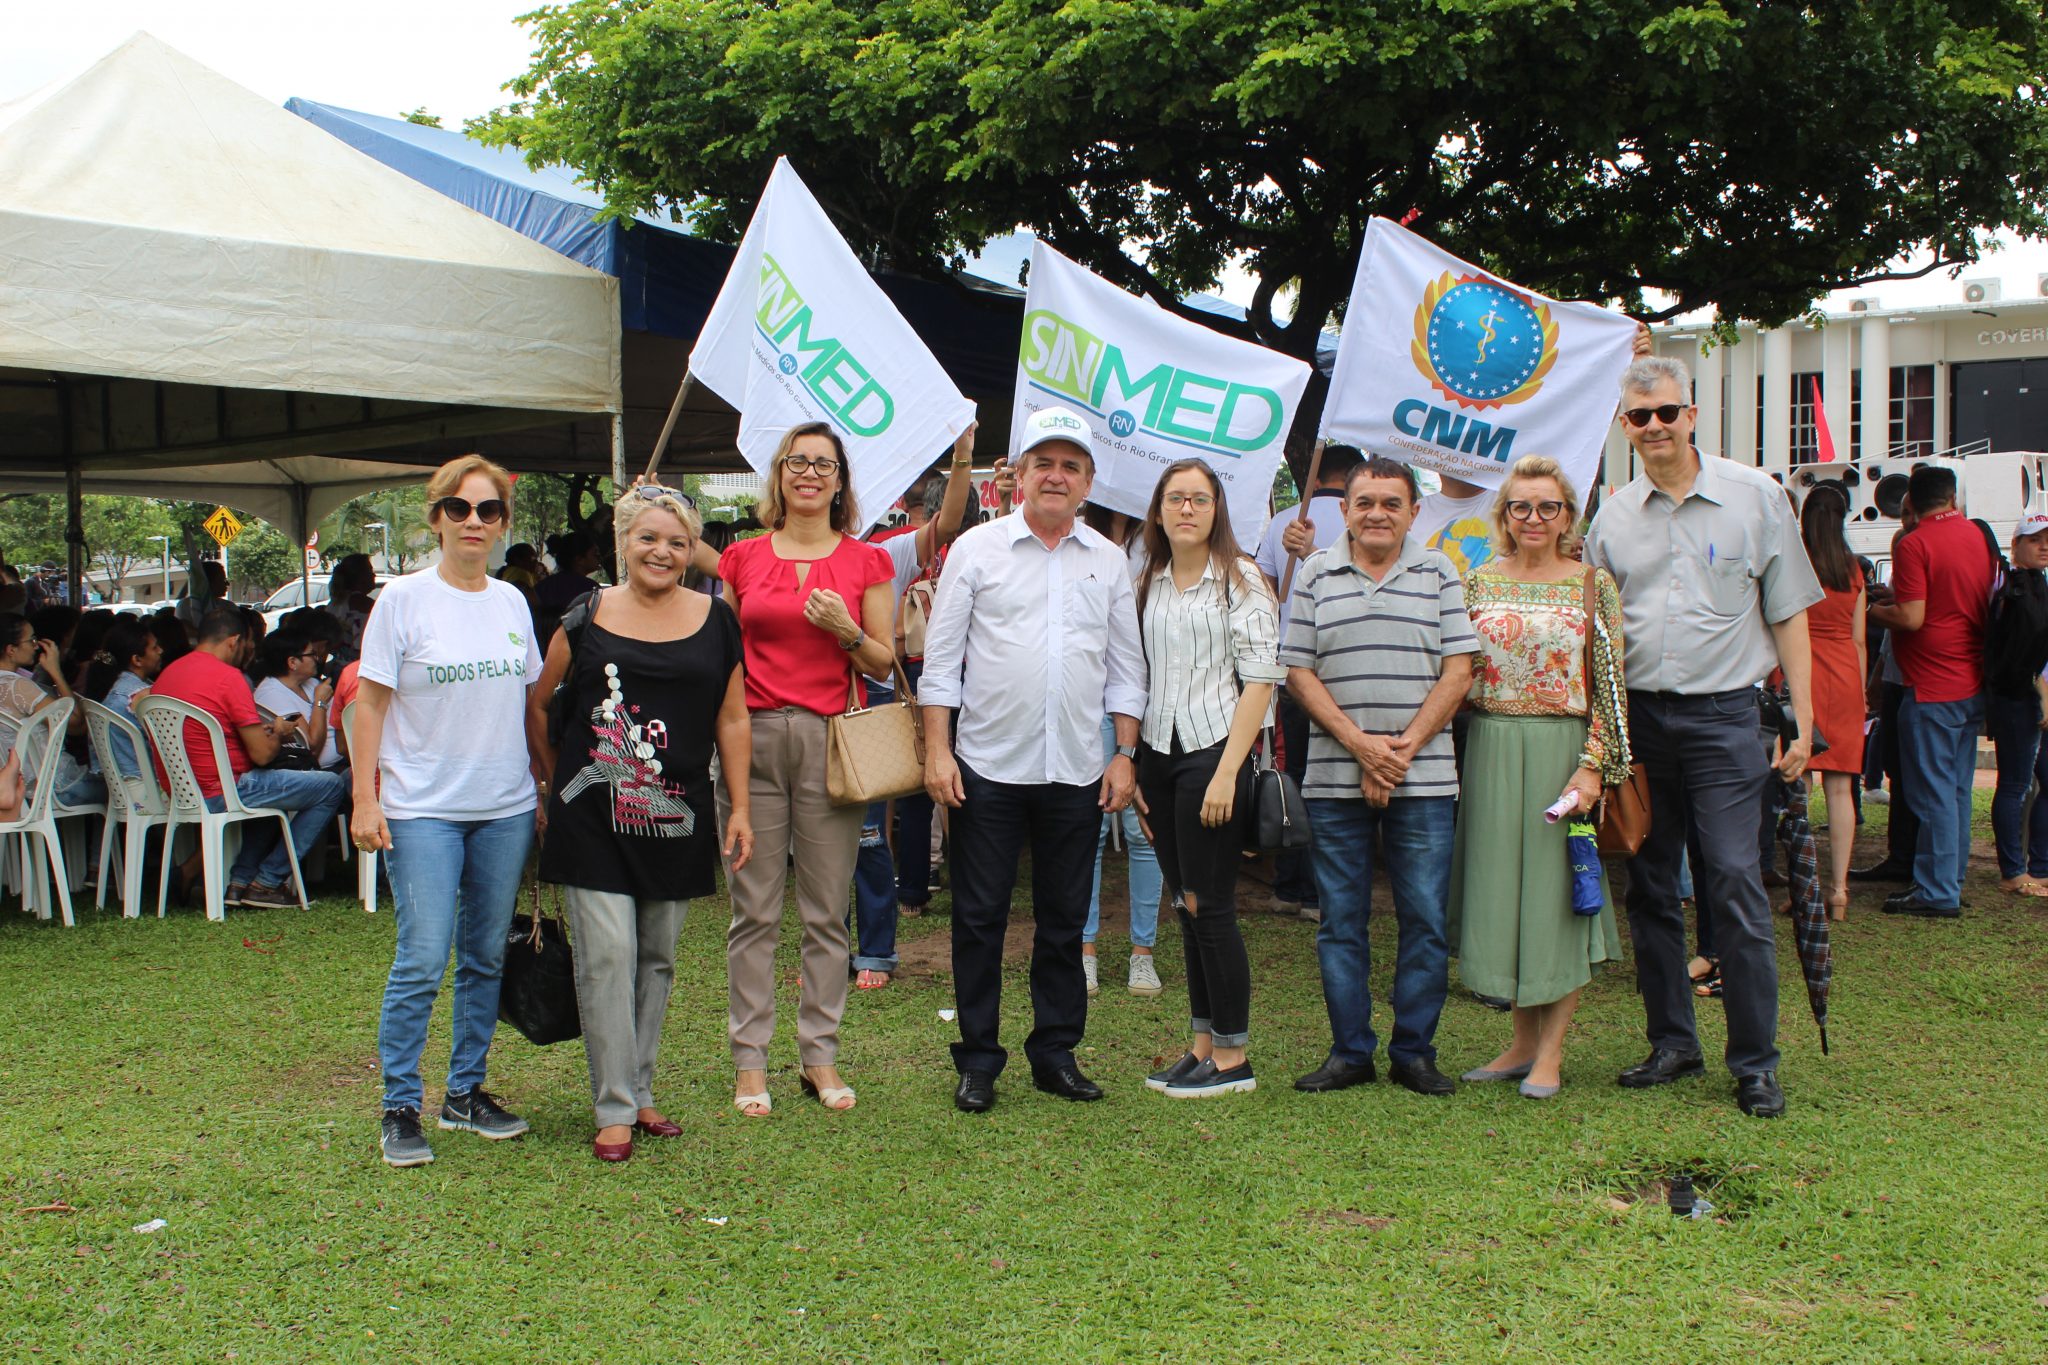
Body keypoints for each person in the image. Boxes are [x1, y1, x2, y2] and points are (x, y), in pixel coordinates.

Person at [1583, 355, 1821, 1119]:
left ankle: (1754, 1060)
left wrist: (1805, 723)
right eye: (1638, 417)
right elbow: (1595, 631)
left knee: (1735, 883)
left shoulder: (1755, 497)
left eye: (1666, 413)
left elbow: (1789, 612)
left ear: (1691, 415)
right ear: (1624, 427)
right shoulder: (1613, 516)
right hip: (1641, 721)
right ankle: (1672, 1042)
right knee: (1650, 884)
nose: (1654, 427)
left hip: (1725, 718)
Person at [921, 406, 1148, 1113]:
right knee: (980, 918)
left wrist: (1125, 754)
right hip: (986, 766)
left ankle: (1055, 1053)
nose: (1056, 476)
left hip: (1078, 769)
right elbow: (941, 661)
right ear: (1017, 475)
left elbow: (1125, 669)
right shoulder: (977, 550)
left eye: (1071, 466)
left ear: (1087, 482)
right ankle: (979, 1060)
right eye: (1043, 463)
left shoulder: (1108, 561)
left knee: (1063, 918)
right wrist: (937, 749)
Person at [528, 482, 754, 1162]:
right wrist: (549, 786)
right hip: (591, 815)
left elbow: (733, 716)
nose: (662, 551)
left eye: (677, 541)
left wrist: (740, 805)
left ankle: (641, 1087)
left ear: (693, 551)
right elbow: (541, 705)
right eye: (649, 538)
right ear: (624, 543)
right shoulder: (585, 615)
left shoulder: (717, 621)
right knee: (609, 956)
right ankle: (614, 1106)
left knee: (656, 957)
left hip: (675, 812)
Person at [353, 456, 544, 1168]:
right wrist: (365, 796)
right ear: (436, 517)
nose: (473, 522)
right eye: (459, 509)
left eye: (487, 511)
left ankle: (465, 1092)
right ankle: (400, 1104)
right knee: (423, 955)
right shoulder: (402, 599)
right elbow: (366, 704)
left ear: (501, 524)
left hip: (505, 805)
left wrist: (543, 786)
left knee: (485, 954)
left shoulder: (511, 602)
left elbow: (527, 705)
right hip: (421, 809)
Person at [1282, 457, 1477, 1098]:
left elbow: (1460, 670)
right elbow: (1298, 672)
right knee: (1341, 920)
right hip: (1336, 778)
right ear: (1345, 508)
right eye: (1365, 501)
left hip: (1424, 780)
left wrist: (1401, 750)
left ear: (1414, 512)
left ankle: (1414, 1052)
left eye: (1391, 503)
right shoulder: (1314, 573)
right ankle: (1350, 1053)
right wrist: (1362, 747)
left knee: (1424, 919)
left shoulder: (1440, 571)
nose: (1377, 514)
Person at [717, 422, 896, 1116]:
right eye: (798, 461)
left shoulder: (865, 560)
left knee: (827, 913)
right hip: (751, 738)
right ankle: (749, 1061)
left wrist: (843, 629)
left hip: (831, 741)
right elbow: (720, 654)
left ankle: (819, 1054)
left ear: (841, 479)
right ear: (779, 474)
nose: (810, 473)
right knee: (752, 911)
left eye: (824, 463)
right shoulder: (741, 557)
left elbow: (883, 661)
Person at [1450, 457, 1630, 1100]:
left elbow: (1610, 683)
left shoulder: (1591, 584)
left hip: (1563, 754)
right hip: (1492, 748)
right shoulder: (1478, 581)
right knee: (1505, 899)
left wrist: (1594, 766)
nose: (1533, 519)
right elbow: (1456, 671)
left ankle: (1550, 1052)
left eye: (1547, 507)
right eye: (1520, 507)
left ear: (1567, 516)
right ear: (1503, 515)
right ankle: (1521, 1043)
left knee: (1558, 903)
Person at [1132, 460, 1282, 1098]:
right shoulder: (1150, 580)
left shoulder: (1241, 579)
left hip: (1214, 751)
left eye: (1199, 499)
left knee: (1211, 905)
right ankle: (1200, 1046)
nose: (1187, 509)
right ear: (1159, 510)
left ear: (1218, 509)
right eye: (1175, 499)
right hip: (1158, 756)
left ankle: (1233, 1059)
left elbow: (1262, 679)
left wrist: (1226, 774)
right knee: (1185, 906)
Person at [847, 426, 978, 990]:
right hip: (804, 704)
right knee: (819, 841)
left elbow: (946, 523)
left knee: (870, 833)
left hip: (871, 699)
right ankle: (827, 951)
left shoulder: (884, 552)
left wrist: (963, 453)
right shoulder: (781, 550)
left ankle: (875, 951)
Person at [150, 607, 347, 908]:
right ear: (234, 641)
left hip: (181, 790)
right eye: (246, 644)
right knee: (332, 786)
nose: (249, 651)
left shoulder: (168, 674)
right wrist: (279, 732)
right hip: (227, 787)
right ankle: (268, 881)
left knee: (272, 792)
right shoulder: (229, 678)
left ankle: (240, 883)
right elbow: (263, 755)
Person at [1868, 464, 1997, 918]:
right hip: (1971, 679)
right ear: (1952, 497)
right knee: (1957, 790)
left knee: (1933, 793)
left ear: (1910, 503)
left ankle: (1937, 891)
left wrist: (1868, 610)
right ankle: (1948, 879)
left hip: (1932, 684)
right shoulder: (1977, 537)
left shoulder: (1915, 542)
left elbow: (1912, 617)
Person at [1258, 443, 1365, 922]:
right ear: (1352, 477)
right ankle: (1318, 893)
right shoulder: (1355, 523)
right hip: (1341, 667)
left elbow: (1260, 588)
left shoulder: (1286, 519)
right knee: (1333, 780)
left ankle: (1288, 885)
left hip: (1288, 668)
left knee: (1292, 774)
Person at [1079, 502, 1165, 998]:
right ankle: (1085, 951)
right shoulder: (1079, 538)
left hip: (1144, 700)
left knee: (1142, 827)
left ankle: (1143, 954)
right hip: (1087, 703)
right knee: (1086, 830)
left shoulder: (1156, 542)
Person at [1796, 484, 1867, 920]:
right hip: (1845, 676)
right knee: (1841, 787)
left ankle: (1803, 887)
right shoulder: (1853, 568)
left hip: (1802, 670)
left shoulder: (1798, 564)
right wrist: (1861, 690)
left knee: (1798, 783)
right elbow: (1859, 639)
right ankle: (1839, 889)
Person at [1984, 512, 2048, 896]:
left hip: (2025, 696)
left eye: (2046, 538)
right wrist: (2039, 692)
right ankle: (2013, 869)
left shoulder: (2033, 585)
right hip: (2017, 698)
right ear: (2016, 544)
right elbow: (2016, 653)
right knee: (2015, 784)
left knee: (2032, 781)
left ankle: (2037, 865)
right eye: (2034, 539)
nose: (2043, 545)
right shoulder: (2014, 588)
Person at [0, 612, 101, 806]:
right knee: (124, 794)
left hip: (14, 789)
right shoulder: (17, 687)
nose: (36, 645)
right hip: (54, 788)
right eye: (31, 640)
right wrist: (55, 670)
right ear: (11, 649)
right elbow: (76, 724)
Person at [81, 617, 164, 780]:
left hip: (117, 784)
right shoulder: (138, 695)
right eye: (155, 648)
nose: (161, 651)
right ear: (137, 660)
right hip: (145, 786)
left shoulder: (111, 685)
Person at [251, 630, 341, 771]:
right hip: (322, 773)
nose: (317, 659)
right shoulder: (272, 695)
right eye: (311, 654)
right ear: (292, 662)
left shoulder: (310, 683)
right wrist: (320, 702)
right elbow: (312, 747)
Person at [328, 555, 378, 659]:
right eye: (370, 570)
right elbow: (363, 645)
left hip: (337, 665)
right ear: (360, 577)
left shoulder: (334, 603)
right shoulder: (363, 604)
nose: (374, 575)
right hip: (356, 668)